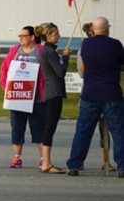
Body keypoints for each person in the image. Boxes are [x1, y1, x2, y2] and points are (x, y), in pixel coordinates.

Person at [67, 17, 124, 178]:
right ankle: (122, 166)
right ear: (107, 29)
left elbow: (83, 66)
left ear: (94, 29)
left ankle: (74, 165)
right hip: (111, 93)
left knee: (83, 130)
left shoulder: (86, 44)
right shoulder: (115, 44)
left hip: (90, 93)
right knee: (119, 131)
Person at [0, 26, 46, 168]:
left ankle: (44, 158)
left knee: (39, 129)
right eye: (19, 36)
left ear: (32, 37)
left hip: (37, 98)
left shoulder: (41, 51)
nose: (21, 38)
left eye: (24, 36)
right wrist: (6, 87)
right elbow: (4, 69)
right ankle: (17, 157)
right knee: (17, 128)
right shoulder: (15, 51)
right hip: (18, 98)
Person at [77, 22, 115, 172]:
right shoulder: (83, 49)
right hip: (90, 91)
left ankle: (106, 161)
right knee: (84, 129)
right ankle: (78, 161)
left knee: (105, 129)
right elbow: (81, 72)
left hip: (104, 91)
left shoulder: (109, 47)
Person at [34, 22, 70, 174]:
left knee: (49, 127)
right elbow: (60, 73)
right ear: (48, 36)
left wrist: (61, 56)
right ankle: (46, 163)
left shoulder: (47, 51)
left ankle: (46, 161)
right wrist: (66, 58)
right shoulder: (49, 51)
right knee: (50, 127)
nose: (59, 36)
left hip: (50, 92)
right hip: (54, 92)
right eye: (56, 34)